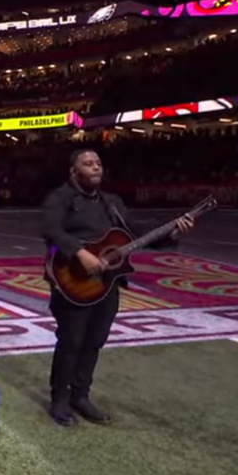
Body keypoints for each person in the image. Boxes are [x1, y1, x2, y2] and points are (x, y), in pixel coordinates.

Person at [40, 149, 193, 427]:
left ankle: (81, 396)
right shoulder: (59, 198)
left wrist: (171, 230)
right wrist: (79, 252)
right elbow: (50, 229)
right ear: (73, 171)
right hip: (72, 282)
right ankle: (59, 400)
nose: (95, 167)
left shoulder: (112, 203)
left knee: (95, 341)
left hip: (107, 283)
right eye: (88, 164)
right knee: (71, 342)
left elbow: (136, 233)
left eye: (98, 163)